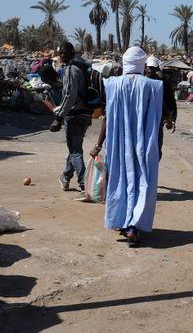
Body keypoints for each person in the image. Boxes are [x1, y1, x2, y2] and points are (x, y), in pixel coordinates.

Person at [93, 47, 163, 244]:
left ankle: (124, 222)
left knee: (121, 178)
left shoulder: (112, 84)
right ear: (142, 64)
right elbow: (157, 119)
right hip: (144, 143)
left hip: (120, 144)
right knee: (142, 181)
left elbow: (108, 116)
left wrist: (100, 143)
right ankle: (134, 225)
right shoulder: (154, 86)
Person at [51, 42, 93, 192]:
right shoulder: (84, 66)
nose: (61, 56)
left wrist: (59, 117)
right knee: (75, 148)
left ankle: (84, 184)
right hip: (87, 113)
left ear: (71, 52)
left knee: (75, 151)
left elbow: (69, 94)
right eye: (60, 53)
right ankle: (66, 177)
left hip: (74, 114)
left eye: (64, 53)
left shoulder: (71, 68)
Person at [145, 55, 177, 158]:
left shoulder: (162, 82)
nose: (150, 70)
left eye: (153, 68)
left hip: (158, 118)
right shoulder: (141, 82)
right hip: (144, 119)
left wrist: (171, 119)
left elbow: (169, 101)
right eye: (149, 68)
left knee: (156, 149)